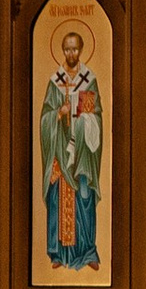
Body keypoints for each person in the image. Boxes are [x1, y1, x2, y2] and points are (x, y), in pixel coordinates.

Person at [38, 23, 103, 272]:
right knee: (57, 198)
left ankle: (88, 252)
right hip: (59, 150)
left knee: (84, 197)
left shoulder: (90, 81)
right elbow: (44, 118)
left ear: (82, 51)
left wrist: (86, 121)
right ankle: (57, 253)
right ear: (63, 52)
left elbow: (96, 115)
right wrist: (57, 113)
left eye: (75, 49)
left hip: (83, 152)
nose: (71, 54)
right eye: (67, 50)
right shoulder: (55, 83)